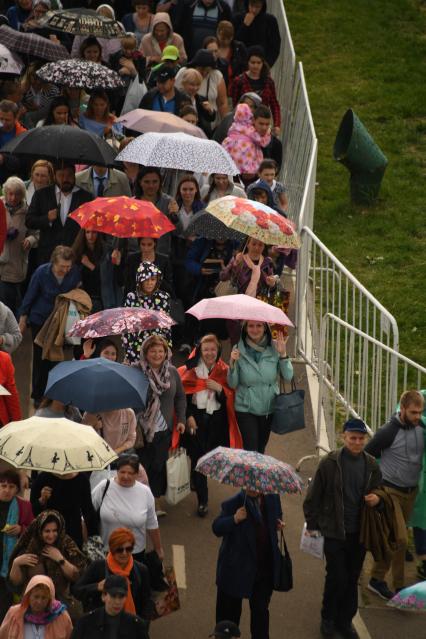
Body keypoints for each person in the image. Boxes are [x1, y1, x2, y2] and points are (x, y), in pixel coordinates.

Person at [303, 419, 383, 639]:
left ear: (365, 439)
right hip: (334, 531)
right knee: (337, 576)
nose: (357, 442)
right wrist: (312, 524)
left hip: (359, 532)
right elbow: (313, 496)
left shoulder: (371, 465)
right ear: (343, 437)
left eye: (360, 439)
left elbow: (380, 492)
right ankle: (327, 619)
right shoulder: (330, 463)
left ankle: (345, 621)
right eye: (352, 438)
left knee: (352, 577)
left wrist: (378, 498)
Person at [365, 389, 425, 599]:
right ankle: (390, 584)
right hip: (390, 491)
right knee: (400, 538)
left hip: (411, 492)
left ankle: (383, 581)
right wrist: (371, 486)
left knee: (396, 539)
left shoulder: (421, 428)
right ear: (403, 410)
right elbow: (366, 455)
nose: (417, 417)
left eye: (420, 413)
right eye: (413, 413)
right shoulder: (388, 431)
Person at [178, 334, 242, 516]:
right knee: (199, 457)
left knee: (209, 456)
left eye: (213, 349)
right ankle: (203, 501)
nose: (209, 353)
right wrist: (188, 416)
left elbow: (230, 396)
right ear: (199, 351)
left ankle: (196, 477)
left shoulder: (224, 370)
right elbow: (184, 397)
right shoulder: (190, 371)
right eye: (206, 349)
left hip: (216, 420)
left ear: (218, 351)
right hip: (196, 418)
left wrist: (220, 389)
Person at [213, 488, 285, 639]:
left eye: (257, 484)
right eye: (249, 483)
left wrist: (278, 524)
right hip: (235, 570)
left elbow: (277, 516)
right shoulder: (233, 503)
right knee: (229, 622)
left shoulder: (272, 498)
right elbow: (216, 527)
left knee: (260, 616)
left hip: (262, 570)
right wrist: (234, 519)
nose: (252, 487)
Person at [18, 245, 81, 403]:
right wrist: (22, 319)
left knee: (56, 358)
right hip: (40, 319)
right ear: (53, 262)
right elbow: (30, 295)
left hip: (60, 320)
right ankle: (37, 395)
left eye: (68, 266)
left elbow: (77, 292)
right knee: (40, 358)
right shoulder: (41, 272)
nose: (65, 270)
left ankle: (52, 393)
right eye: (61, 266)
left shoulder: (74, 272)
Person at [8, 510, 87, 620]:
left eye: (55, 531)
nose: (51, 535)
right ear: (40, 530)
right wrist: (16, 563)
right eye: (47, 531)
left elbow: (76, 576)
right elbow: (16, 582)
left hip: (61, 605)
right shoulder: (30, 546)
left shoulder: (66, 544)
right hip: (33, 604)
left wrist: (60, 559)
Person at [135, 335, 186, 504]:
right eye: (152, 351)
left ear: (166, 353)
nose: (157, 355)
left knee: (158, 466)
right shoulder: (136, 371)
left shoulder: (172, 372)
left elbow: (180, 398)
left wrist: (181, 420)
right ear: (145, 352)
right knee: (142, 467)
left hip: (164, 429)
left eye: (160, 351)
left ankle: (154, 503)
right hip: (141, 430)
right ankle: (141, 501)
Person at [228, 321, 293, 453]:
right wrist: (232, 363)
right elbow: (232, 384)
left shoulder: (275, 348)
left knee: (261, 447)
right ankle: (251, 473)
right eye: (251, 326)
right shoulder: (237, 349)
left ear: (265, 329)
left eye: (259, 326)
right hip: (245, 407)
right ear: (245, 329)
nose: (255, 329)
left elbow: (288, 376)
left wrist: (283, 355)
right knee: (251, 449)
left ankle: (256, 473)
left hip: (268, 407)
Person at [92, 455, 164, 560]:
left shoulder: (145, 492)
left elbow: (152, 523)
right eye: (122, 472)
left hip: (135, 553)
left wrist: (158, 549)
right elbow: (88, 515)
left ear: (137, 474)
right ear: (117, 471)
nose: (126, 476)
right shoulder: (104, 486)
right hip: (107, 552)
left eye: (130, 473)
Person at [73, 527, 152, 619]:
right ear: (112, 549)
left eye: (128, 549)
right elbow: (77, 590)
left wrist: (142, 624)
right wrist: (97, 586)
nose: (124, 553)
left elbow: (147, 601)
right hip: (102, 625)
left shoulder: (140, 570)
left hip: (131, 625)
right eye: (119, 550)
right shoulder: (98, 567)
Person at [25, 163, 93, 266]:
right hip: (47, 257)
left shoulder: (85, 198)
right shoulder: (42, 195)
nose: (65, 179)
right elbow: (29, 221)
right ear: (55, 176)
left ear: (74, 175)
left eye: (69, 175)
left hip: (74, 258)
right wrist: (46, 218)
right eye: (61, 175)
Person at [30, 470, 98, 551]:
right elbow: (33, 511)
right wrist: (42, 500)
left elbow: (88, 511)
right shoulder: (43, 478)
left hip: (73, 537)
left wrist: (94, 539)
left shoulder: (82, 479)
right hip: (48, 536)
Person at [0, 176, 37, 316]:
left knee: (9, 303)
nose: (13, 197)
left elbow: (36, 234)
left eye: (17, 194)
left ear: (22, 194)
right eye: (10, 193)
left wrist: (30, 240)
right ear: (5, 192)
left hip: (15, 263)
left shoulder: (27, 211)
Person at [122, 261, 172, 364]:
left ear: (157, 280)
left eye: (153, 279)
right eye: (146, 280)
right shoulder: (132, 297)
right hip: (137, 345)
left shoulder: (164, 297)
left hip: (157, 345)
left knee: (157, 377)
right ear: (140, 280)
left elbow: (167, 326)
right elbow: (127, 327)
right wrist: (127, 352)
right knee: (137, 377)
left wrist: (169, 347)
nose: (150, 283)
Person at [0, 469, 33, 622]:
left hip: (11, 562)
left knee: (6, 602)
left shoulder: (24, 506)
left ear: (17, 489)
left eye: (11, 486)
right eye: (3, 485)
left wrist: (21, 529)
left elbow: (33, 531)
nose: (6, 490)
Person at [71, 574, 149, 639]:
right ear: (104, 596)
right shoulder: (86, 622)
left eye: (121, 597)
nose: (117, 602)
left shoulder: (136, 625)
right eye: (113, 596)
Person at [0, 575, 73, 639]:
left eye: (44, 598)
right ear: (28, 596)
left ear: (50, 599)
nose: (39, 602)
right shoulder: (14, 614)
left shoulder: (61, 616)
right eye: (36, 596)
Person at [231, 46, 280, 135]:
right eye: (252, 62)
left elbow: (274, 104)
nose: (255, 66)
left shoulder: (269, 82)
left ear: (263, 63)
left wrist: (277, 125)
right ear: (248, 63)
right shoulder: (239, 81)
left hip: (263, 125)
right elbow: (235, 105)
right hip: (244, 127)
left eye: (258, 63)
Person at [176, 49, 229, 127]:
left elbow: (222, 103)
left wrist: (225, 125)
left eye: (207, 71)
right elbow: (174, 93)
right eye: (201, 69)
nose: (204, 73)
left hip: (208, 125)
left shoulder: (216, 75)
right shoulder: (183, 72)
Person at [222, 103, 271, 180]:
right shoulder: (253, 134)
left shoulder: (233, 129)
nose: (264, 127)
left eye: (267, 124)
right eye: (261, 124)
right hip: (239, 175)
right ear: (253, 120)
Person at [134, 167, 174, 257]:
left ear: (160, 182)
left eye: (155, 182)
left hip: (161, 255)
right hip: (135, 256)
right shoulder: (131, 203)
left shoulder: (169, 202)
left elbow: (178, 231)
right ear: (140, 182)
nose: (151, 186)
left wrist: (174, 215)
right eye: (147, 182)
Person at [232, 0, 281, 68]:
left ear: (262, 6)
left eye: (257, 7)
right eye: (252, 6)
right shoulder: (238, 18)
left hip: (261, 65)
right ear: (247, 4)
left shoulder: (270, 21)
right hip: (241, 65)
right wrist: (245, 26)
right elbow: (234, 42)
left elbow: (275, 46)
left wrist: (267, 64)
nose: (254, 10)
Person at [178, 68, 216, 136]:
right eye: (192, 85)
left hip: (198, 135)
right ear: (184, 84)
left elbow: (210, 118)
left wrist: (210, 111)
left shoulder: (201, 99)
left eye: (198, 85)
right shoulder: (177, 98)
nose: (195, 88)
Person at [0, 99, 27, 184]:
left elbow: (23, 164)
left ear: (16, 118)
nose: (3, 122)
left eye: (7, 120)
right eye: (1, 118)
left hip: (13, 181)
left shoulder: (23, 135)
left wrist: (4, 159)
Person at [216, 20, 248, 91]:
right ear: (217, 33)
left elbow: (245, 67)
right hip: (216, 87)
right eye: (223, 39)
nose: (226, 41)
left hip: (235, 89)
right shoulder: (212, 47)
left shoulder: (239, 48)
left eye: (229, 38)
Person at [0, 350, 21, 425]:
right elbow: (11, 396)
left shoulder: (4, 359)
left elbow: (11, 396)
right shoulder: (3, 359)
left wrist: (16, 423)